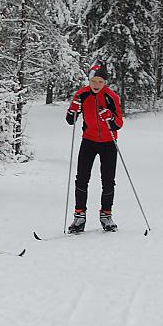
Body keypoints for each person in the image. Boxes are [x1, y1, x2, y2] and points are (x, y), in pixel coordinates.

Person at [65, 59, 124, 233]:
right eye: (93, 81)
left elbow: (119, 123)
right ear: (88, 81)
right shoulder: (81, 95)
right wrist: (73, 110)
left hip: (109, 142)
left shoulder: (111, 97)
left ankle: (106, 215)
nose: (96, 84)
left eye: (100, 81)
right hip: (89, 141)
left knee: (108, 181)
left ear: (105, 82)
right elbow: (70, 121)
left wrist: (110, 118)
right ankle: (79, 217)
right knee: (82, 178)